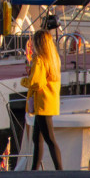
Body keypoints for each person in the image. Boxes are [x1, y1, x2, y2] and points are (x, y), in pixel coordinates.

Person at [21, 30, 63, 170]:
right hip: (49, 101)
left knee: (49, 139)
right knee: (37, 138)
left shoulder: (39, 60)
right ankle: (34, 169)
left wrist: (24, 81)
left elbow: (36, 82)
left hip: (41, 102)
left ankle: (59, 169)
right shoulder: (54, 58)